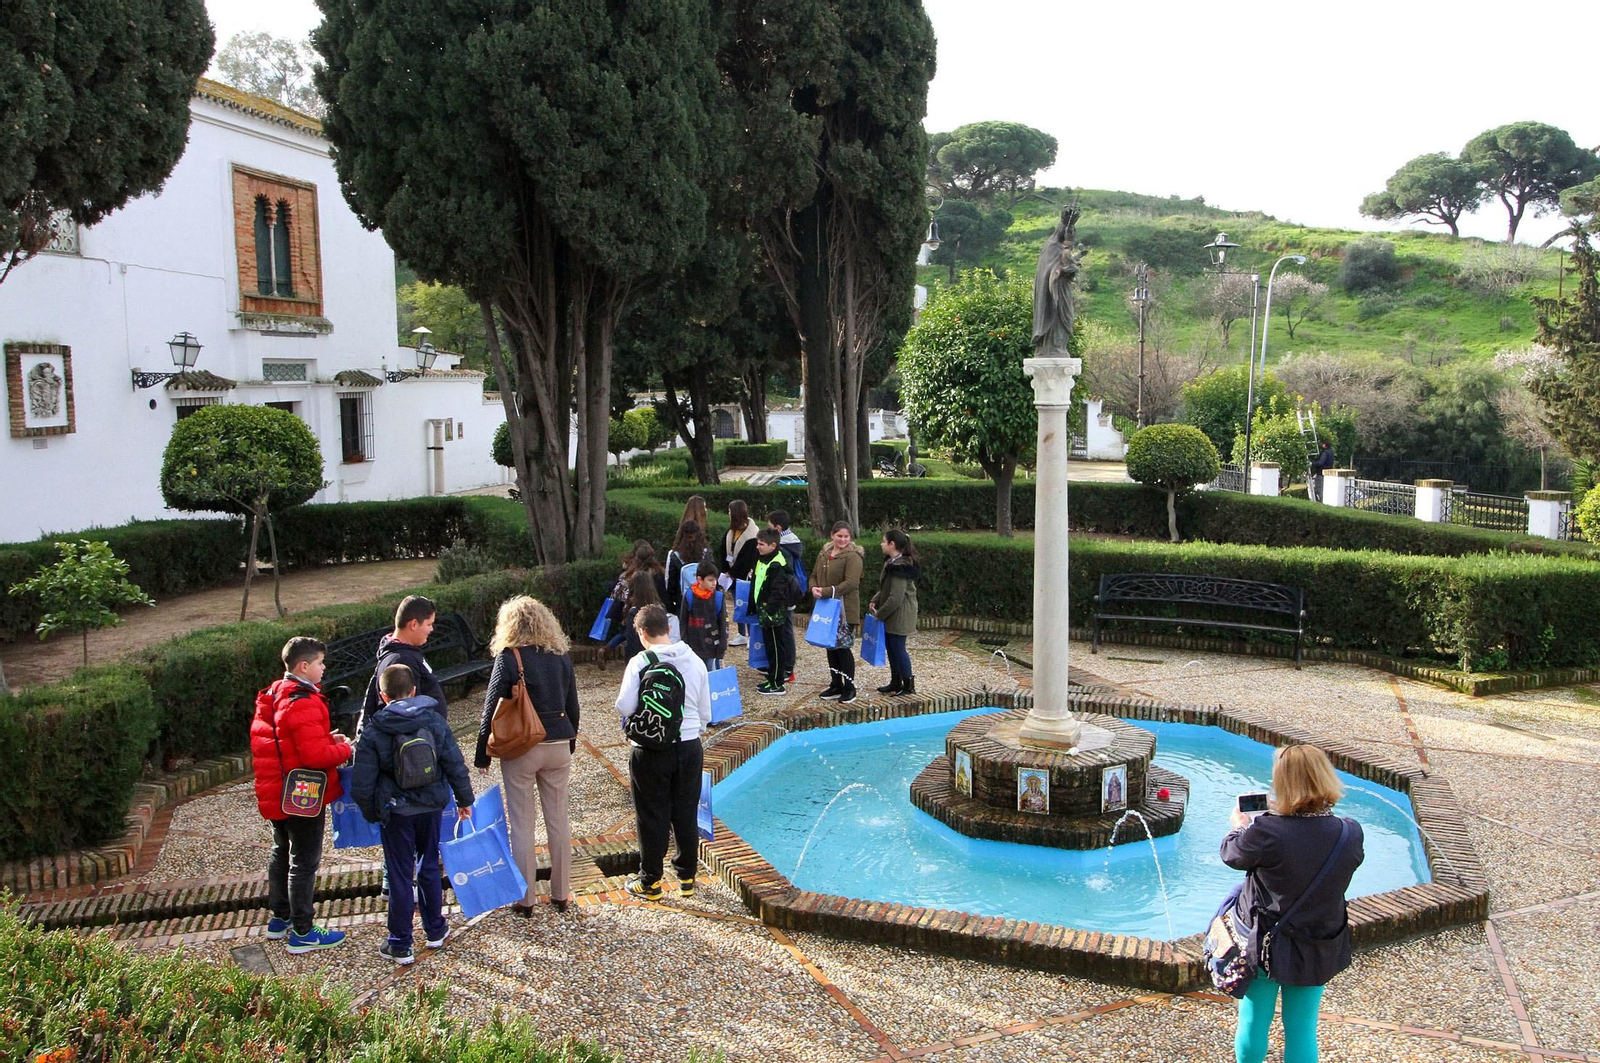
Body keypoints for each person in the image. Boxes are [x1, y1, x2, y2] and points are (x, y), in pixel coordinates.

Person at [1223, 744, 1366, 1063]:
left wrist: (1241, 825)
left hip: (1265, 943)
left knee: (1254, 1021)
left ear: (1284, 783)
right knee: (1302, 1029)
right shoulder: (1349, 832)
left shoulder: (1267, 832)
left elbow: (1232, 854)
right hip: (1318, 942)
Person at [350, 664, 475, 965]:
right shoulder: (433, 721)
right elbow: (454, 763)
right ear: (415, 691)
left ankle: (400, 942)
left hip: (396, 811)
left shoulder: (375, 729)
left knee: (399, 874)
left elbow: (362, 783)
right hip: (431, 806)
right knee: (429, 864)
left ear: (382, 695)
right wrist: (464, 799)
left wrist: (374, 812)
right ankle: (435, 929)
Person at [475, 595, 580, 915]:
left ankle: (525, 900)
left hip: (522, 747)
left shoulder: (509, 657)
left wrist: (483, 753)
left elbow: (490, 708)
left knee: (522, 824)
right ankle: (561, 895)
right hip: (559, 744)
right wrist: (570, 742)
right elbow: (572, 704)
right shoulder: (560, 655)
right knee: (559, 820)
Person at [250, 636, 355, 953]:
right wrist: (344, 748)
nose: (324, 668)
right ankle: (303, 931)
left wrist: (326, 738)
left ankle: (279, 918)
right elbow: (314, 756)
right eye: (321, 663)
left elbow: (287, 742)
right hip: (302, 794)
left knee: (281, 850)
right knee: (304, 861)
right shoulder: (304, 701)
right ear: (304, 666)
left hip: (276, 789)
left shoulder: (273, 693)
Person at [615, 604, 712, 900]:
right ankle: (687, 878)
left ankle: (651, 882)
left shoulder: (641, 661)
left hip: (651, 749)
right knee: (685, 811)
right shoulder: (695, 660)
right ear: (668, 628)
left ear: (643, 632)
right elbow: (706, 711)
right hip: (690, 747)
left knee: (651, 814)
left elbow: (624, 706)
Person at [360, 595, 445, 728]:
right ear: (414, 624)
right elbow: (410, 713)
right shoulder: (402, 660)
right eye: (429, 624)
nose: (431, 629)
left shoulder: (405, 653)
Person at [811, 520, 864, 703]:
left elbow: (851, 583)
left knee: (843, 649)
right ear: (832, 535)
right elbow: (813, 575)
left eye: (846, 536)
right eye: (839, 536)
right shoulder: (824, 553)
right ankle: (836, 683)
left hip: (844, 608)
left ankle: (849, 687)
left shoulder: (853, 556)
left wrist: (825, 591)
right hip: (827, 608)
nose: (842, 539)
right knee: (830, 648)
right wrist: (813, 588)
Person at [868, 529, 920, 696]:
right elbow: (886, 588)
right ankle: (895, 682)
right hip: (895, 613)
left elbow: (895, 598)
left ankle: (908, 685)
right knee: (891, 647)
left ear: (892, 544)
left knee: (898, 648)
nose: (881, 544)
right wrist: (876, 599)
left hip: (901, 614)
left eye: (884, 541)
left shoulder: (900, 567)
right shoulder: (892, 562)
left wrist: (879, 614)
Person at [751, 528, 801, 695]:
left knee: (776, 647)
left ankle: (777, 683)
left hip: (772, 613)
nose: (758, 547)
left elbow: (778, 591)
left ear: (773, 545)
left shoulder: (777, 564)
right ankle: (771, 677)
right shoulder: (763, 559)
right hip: (764, 610)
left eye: (761, 544)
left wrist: (769, 609)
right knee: (769, 647)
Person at [766, 510, 805, 683]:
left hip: (785, 596)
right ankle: (784, 666)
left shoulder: (784, 548)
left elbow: (783, 576)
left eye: (770, 527)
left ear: (778, 527)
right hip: (789, 594)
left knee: (785, 632)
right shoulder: (792, 542)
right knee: (784, 630)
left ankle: (788, 668)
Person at [679, 558, 728, 672]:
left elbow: (723, 623)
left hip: (712, 647)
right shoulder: (689, 596)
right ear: (699, 579)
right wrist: (684, 642)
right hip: (693, 645)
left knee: (711, 674)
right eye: (710, 580)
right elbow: (683, 620)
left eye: (715, 580)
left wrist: (722, 646)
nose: (714, 583)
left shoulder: (718, 597)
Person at [724, 501, 760, 647]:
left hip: (743, 576)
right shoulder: (731, 531)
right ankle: (741, 633)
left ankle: (751, 635)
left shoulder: (752, 534)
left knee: (747, 605)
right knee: (737, 604)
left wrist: (733, 572)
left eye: (730, 511)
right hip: (731, 574)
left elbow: (748, 559)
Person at [665, 520, 709, 614]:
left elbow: (670, 582)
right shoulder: (706, 553)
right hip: (704, 599)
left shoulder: (674, 555)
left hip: (682, 601)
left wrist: (671, 603)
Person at [622, 570, 664, 658]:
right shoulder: (659, 609)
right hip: (658, 656)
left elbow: (632, 643)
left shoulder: (634, 612)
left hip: (640, 657)